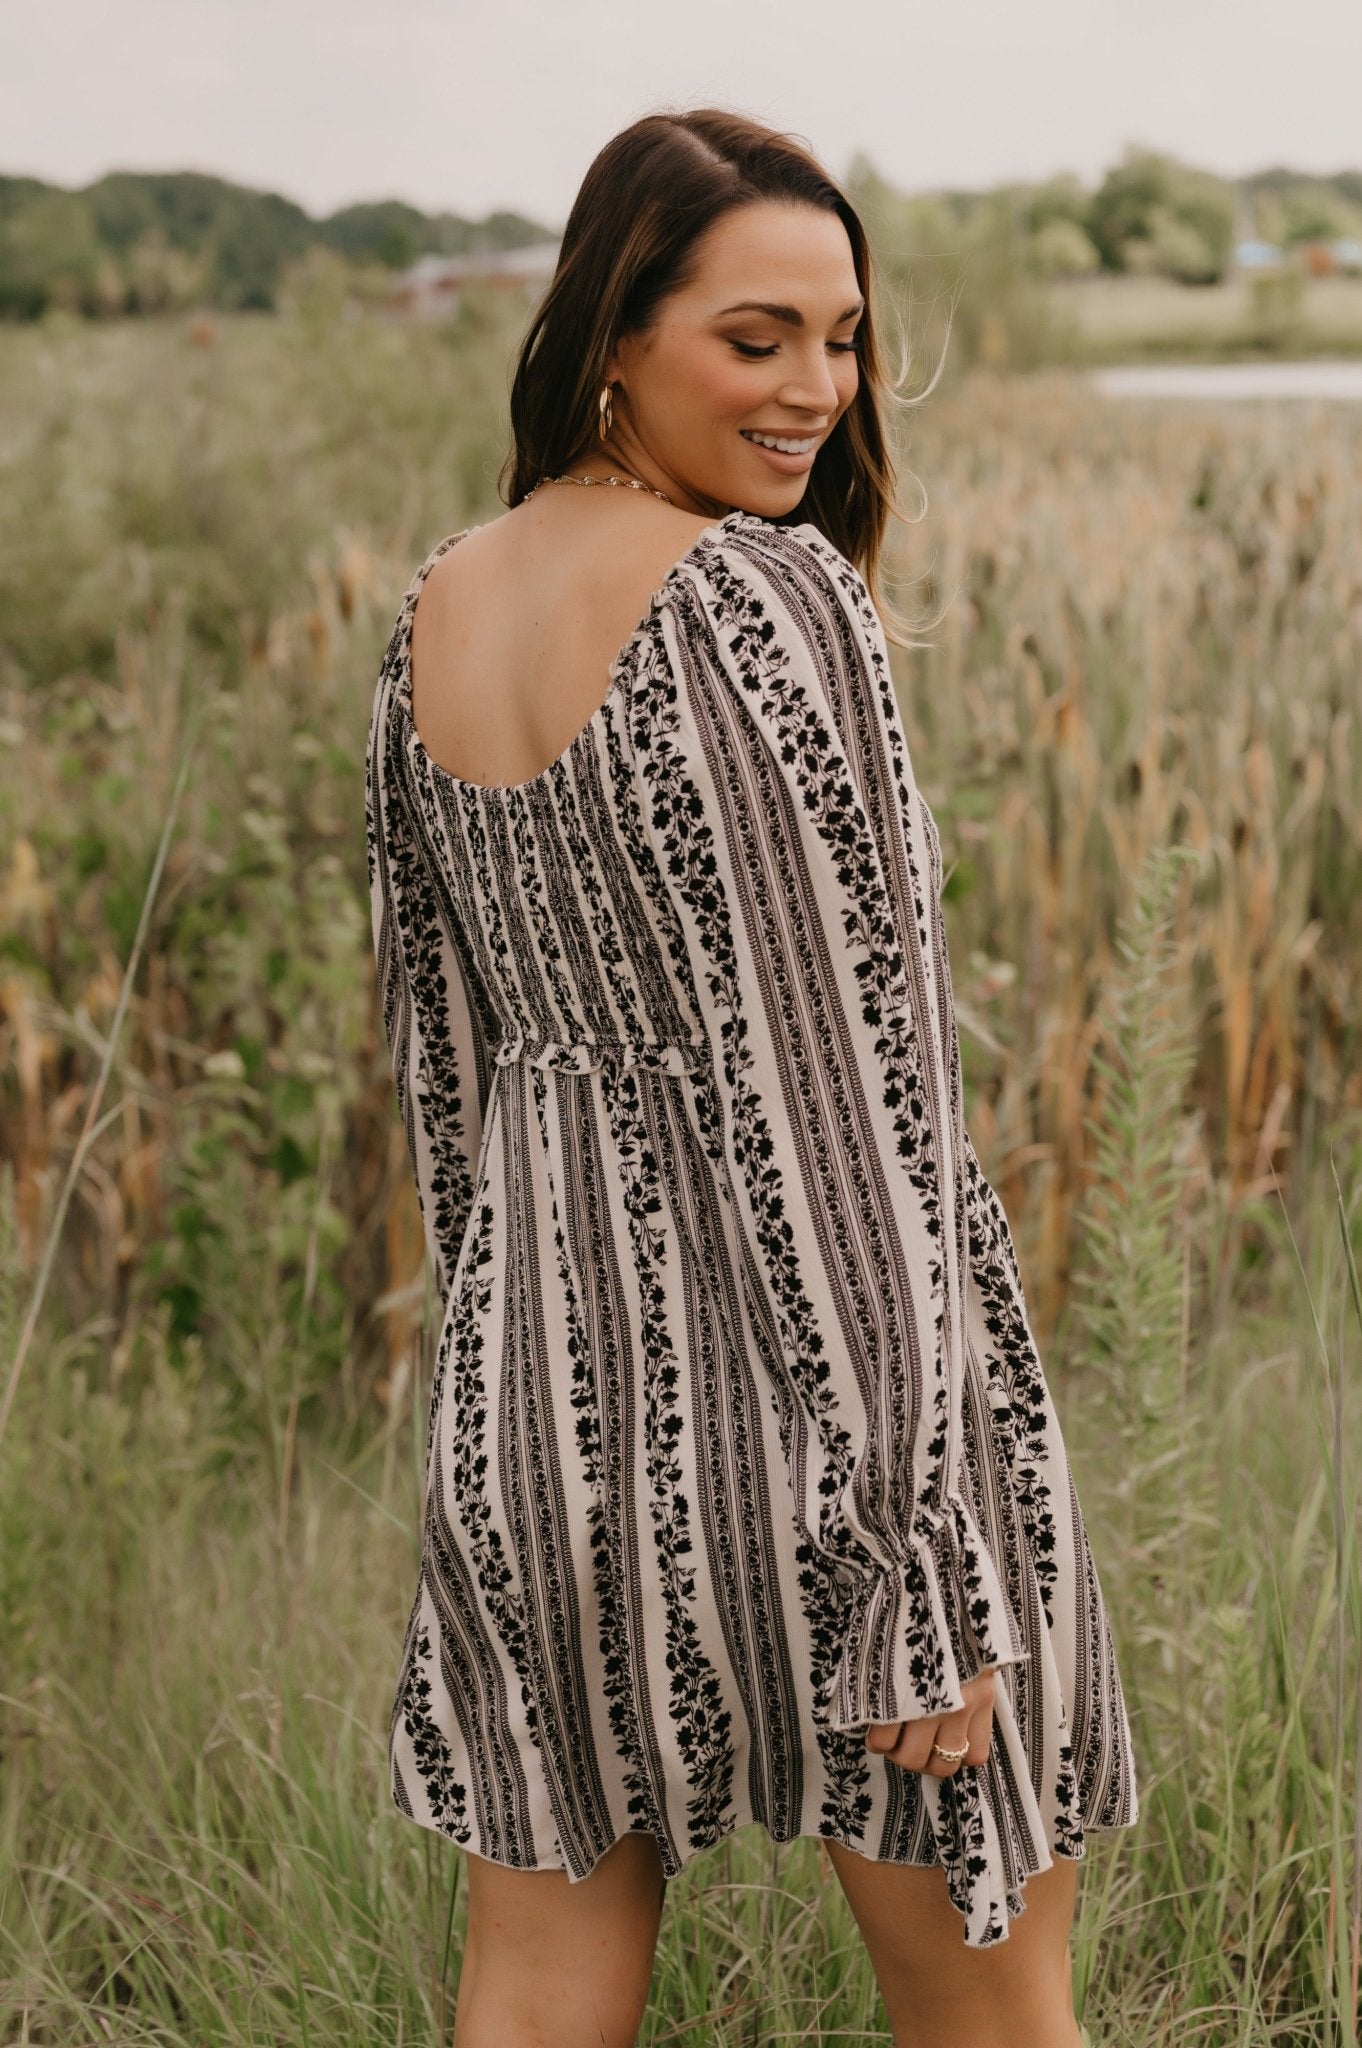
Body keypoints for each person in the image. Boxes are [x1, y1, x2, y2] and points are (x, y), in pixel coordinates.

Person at [365, 107, 1137, 2048]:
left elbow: (440, 1070)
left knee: (537, 1980)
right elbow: (842, 1113)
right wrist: (917, 1549)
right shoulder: (759, 603)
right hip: (828, 1441)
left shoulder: (444, 599)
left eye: (843, 337)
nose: (817, 389)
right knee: (990, 2012)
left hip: (543, 1406)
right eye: (756, 336)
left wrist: (495, 1408)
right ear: (615, 332)